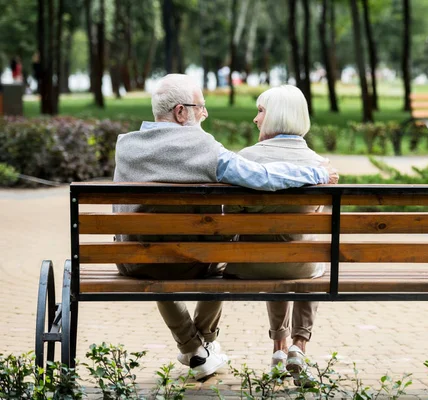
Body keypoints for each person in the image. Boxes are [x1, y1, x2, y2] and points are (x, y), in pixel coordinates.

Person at [113, 74, 338, 380]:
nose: (204, 113)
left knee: (155, 260)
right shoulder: (204, 147)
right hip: (193, 263)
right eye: (200, 107)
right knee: (220, 257)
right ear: (181, 112)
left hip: (134, 262)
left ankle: (195, 351)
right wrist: (317, 174)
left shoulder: (126, 146)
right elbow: (261, 176)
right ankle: (201, 341)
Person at [224, 85, 328, 387]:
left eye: (261, 111)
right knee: (307, 253)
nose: (255, 119)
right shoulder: (320, 165)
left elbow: (230, 220)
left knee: (275, 250)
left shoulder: (244, 159)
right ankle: (298, 346)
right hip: (301, 267)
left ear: (277, 117)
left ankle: (278, 349)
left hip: (247, 266)